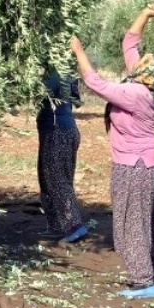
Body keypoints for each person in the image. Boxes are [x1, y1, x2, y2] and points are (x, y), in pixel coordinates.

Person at [70, 4, 154, 299]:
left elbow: (94, 82)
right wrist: (146, 14)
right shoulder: (147, 86)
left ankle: (143, 283)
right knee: (150, 222)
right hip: (153, 164)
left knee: (131, 224)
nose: (136, 63)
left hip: (134, 167)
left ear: (144, 74)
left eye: (141, 64)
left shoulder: (135, 94)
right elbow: (130, 43)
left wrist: (78, 50)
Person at [36, 67, 89, 243]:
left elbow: (40, 93)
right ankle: (56, 226)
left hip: (57, 131)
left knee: (57, 179)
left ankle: (74, 226)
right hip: (64, 130)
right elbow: (76, 100)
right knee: (47, 179)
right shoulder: (69, 72)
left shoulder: (56, 72)